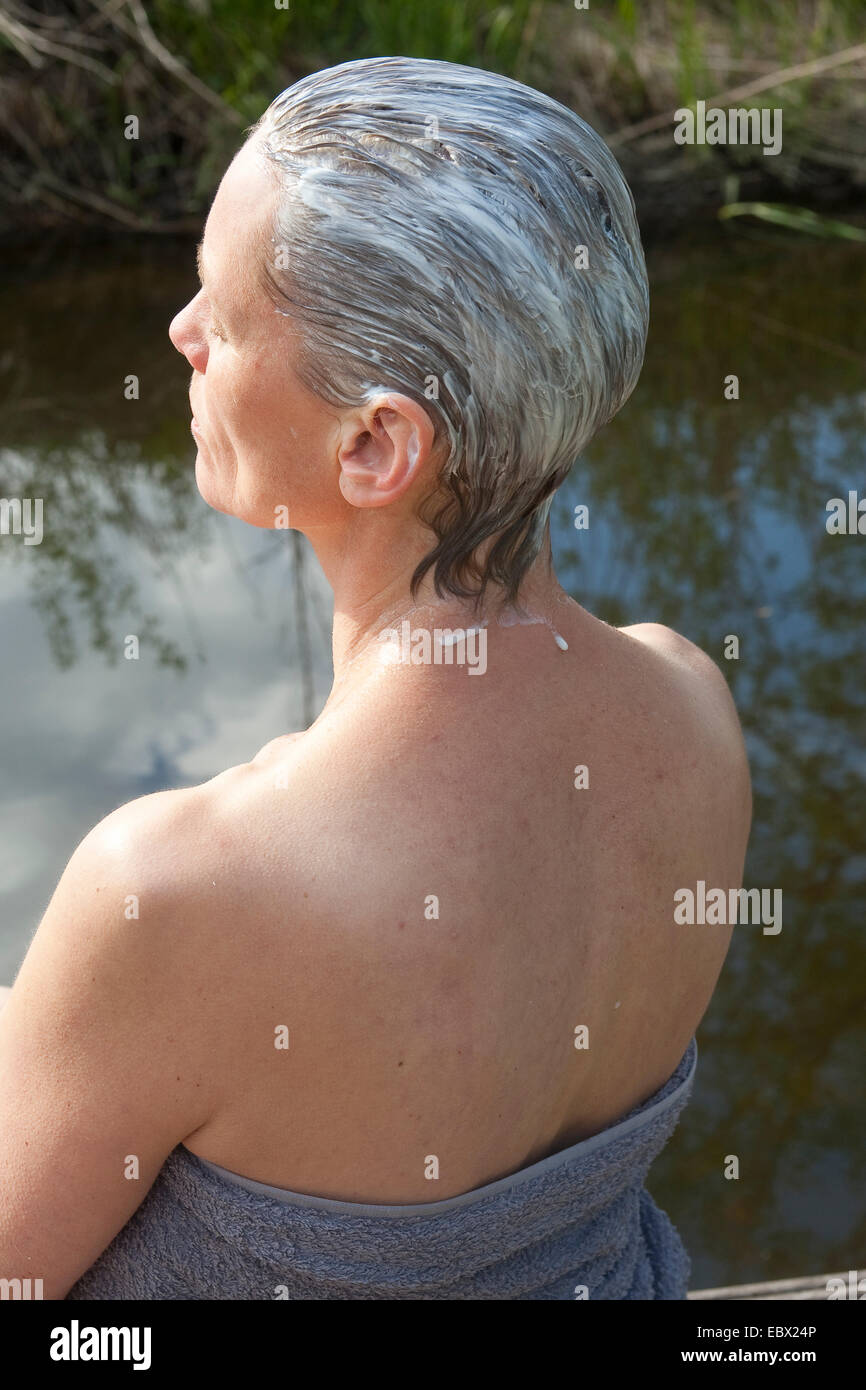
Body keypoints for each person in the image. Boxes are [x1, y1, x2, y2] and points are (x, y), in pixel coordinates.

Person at [0, 56, 750, 1300]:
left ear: (371, 444)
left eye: (219, 312)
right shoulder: (690, 710)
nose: (179, 335)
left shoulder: (178, 892)